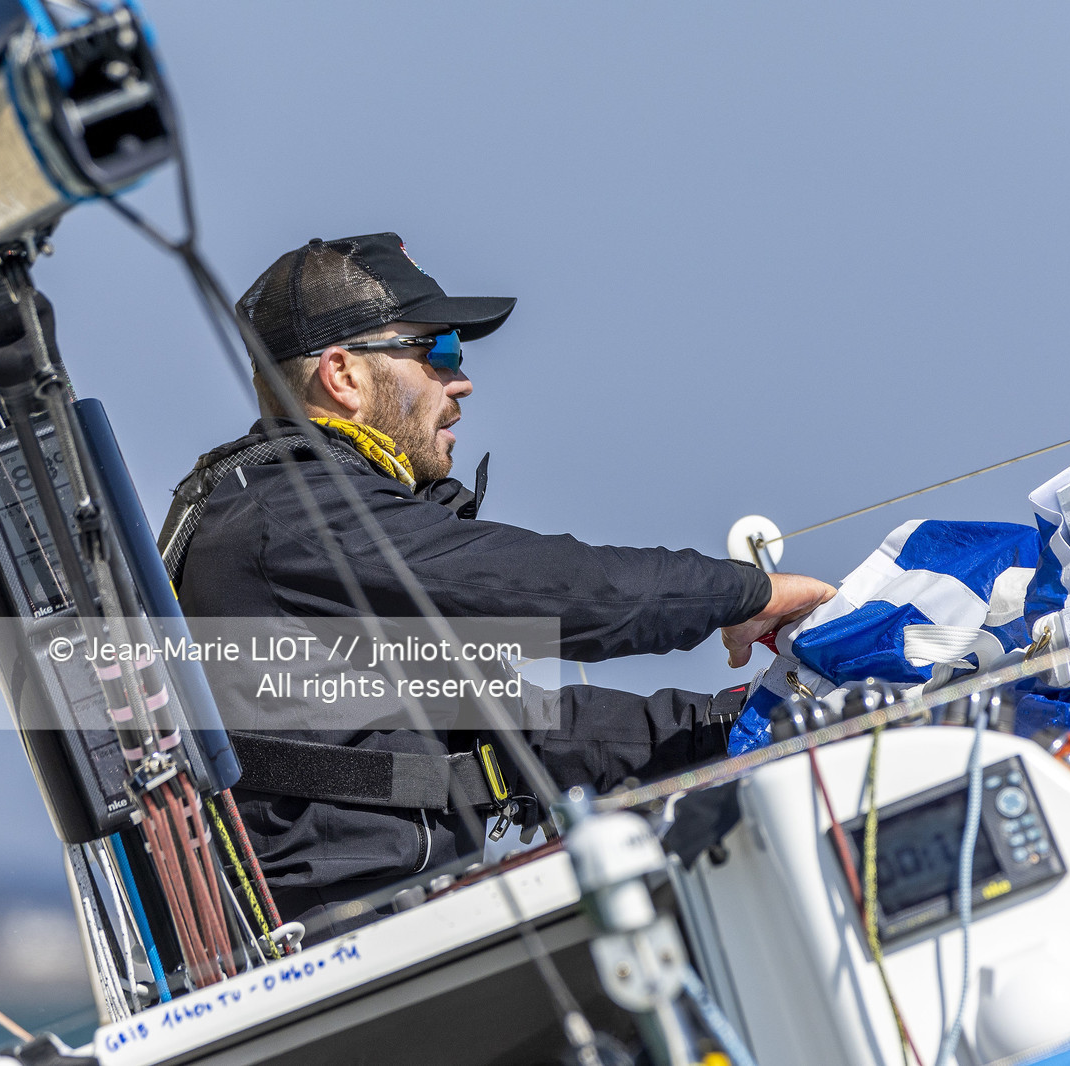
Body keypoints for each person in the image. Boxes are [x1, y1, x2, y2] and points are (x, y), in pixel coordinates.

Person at [164, 233, 833, 924]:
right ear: (344, 376)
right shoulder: (298, 518)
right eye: (438, 352)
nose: (462, 380)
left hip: (399, 919)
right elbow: (561, 593)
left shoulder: (302, 520)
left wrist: (737, 724)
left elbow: (515, 733)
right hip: (347, 943)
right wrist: (744, 594)